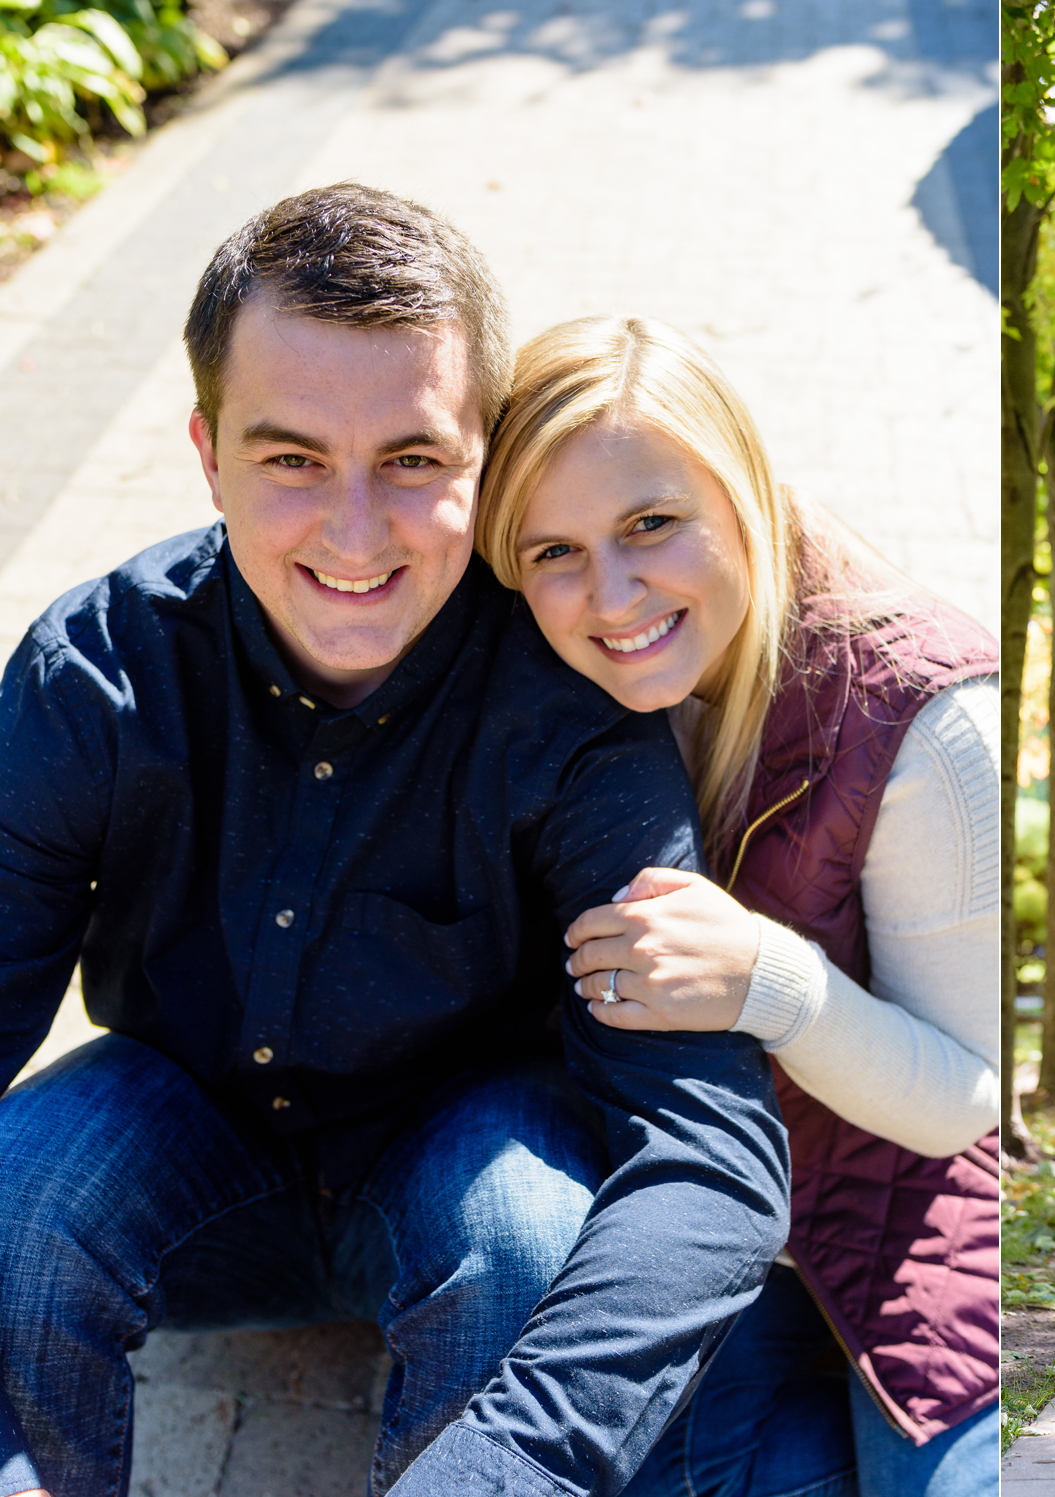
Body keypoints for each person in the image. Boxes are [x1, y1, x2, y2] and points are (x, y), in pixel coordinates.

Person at [0, 186, 790, 1497]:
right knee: (21, 1190)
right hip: (184, 1148)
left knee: (534, 1231)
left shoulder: (574, 716)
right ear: (207, 453)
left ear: (483, 458)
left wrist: (503, 1467)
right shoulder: (97, 673)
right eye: (291, 458)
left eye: (414, 461)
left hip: (457, 1189)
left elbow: (708, 1157)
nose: (356, 533)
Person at [471, 315, 1000, 1497]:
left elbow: (964, 1096)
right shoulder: (538, 675)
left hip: (893, 1230)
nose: (611, 596)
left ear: (745, 493)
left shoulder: (923, 718)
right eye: (552, 551)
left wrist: (771, 978)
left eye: (650, 525)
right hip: (691, 1204)